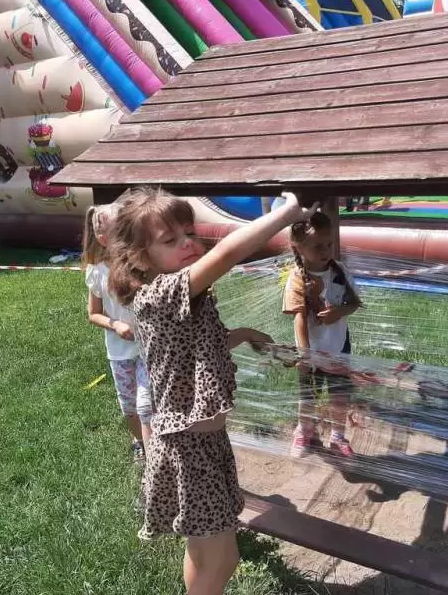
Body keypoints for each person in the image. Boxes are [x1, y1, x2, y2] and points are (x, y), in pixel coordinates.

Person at [107, 186, 317, 595]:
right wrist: (286, 213)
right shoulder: (160, 296)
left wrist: (247, 334)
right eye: (170, 240)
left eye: (189, 232)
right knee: (219, 560)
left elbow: (199, 345)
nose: (188, 243)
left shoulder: (185, 301)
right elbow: (227, 254)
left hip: (204, 443)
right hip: (189, 450)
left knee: (210, 556)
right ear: (140, 257)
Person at [283, 212, 363, 458]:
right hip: (311, 350)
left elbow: (354, 303)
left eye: (329, 244)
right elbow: (299, 318)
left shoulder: (340, 271)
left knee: (339, 395)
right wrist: (305, 354)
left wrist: (338, 312)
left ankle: (337, 435)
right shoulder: (298, 278)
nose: (326, 250)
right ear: (298, 247)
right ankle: (304, 431)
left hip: (339, 346)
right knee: (308, 395)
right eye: (318, 246)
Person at [82, 203, 151, 463]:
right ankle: (139, 441)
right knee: (129, 405)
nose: (129, 237)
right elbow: (93, 314)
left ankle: (155, 456)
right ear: (103, 239)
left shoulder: (143, 264)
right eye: (121, 232)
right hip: (119, 352)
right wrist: (115, 325)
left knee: (146, 405)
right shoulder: (97, 272)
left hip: (148, 347)